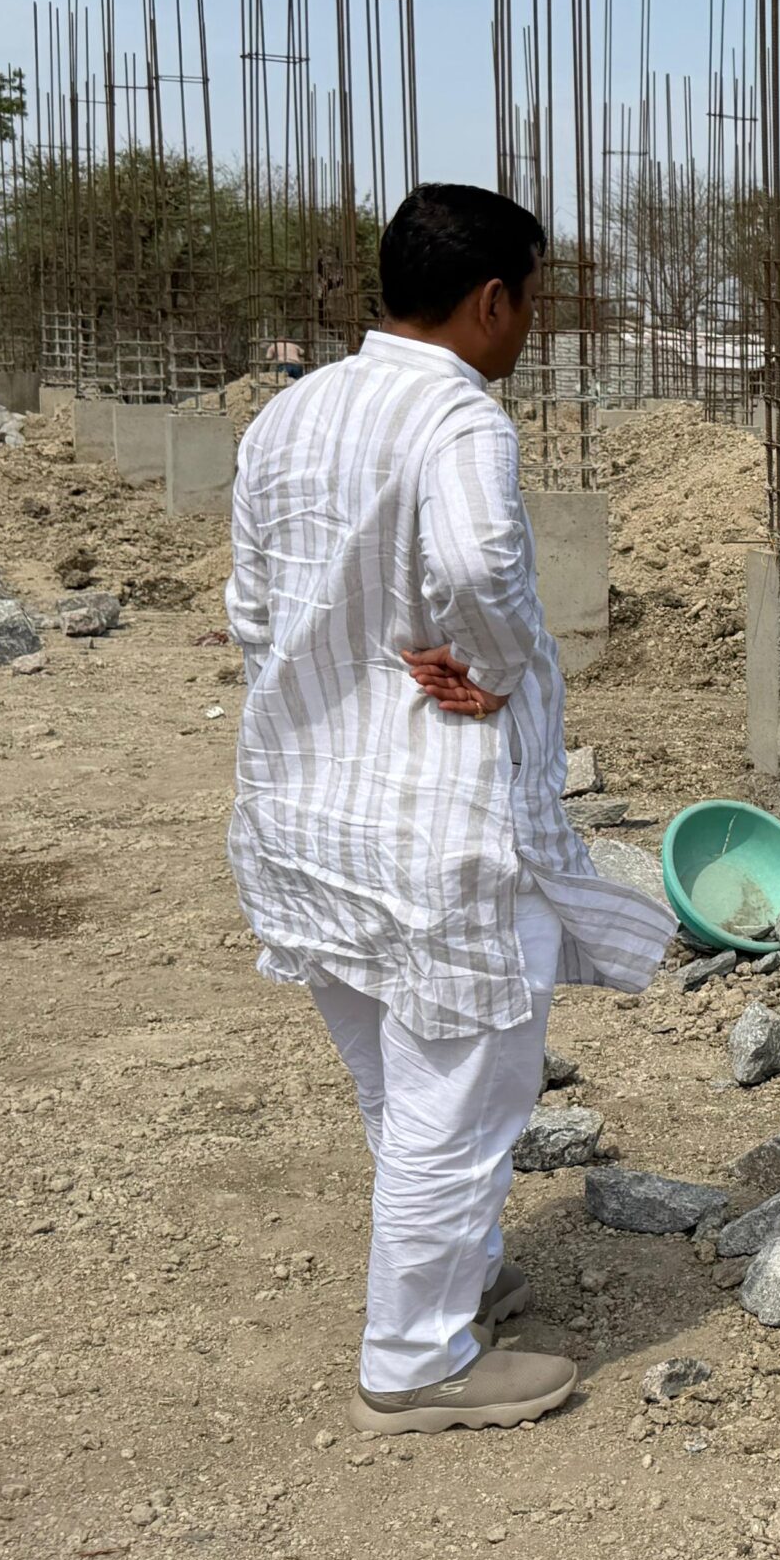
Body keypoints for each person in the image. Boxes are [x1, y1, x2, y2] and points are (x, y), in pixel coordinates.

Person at [225, 183, 676, 1436]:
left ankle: (456, 1277)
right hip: (432, 822)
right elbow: (480, 566)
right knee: (464, 1085)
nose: (528, 325)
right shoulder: (458, 416)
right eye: (529, 301)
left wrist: (340, 674)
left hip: (306, 811)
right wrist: (503, 664)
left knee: (395, 1077)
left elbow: (252, 610)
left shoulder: (290, 412)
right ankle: (415, 1357)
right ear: (490, 302)